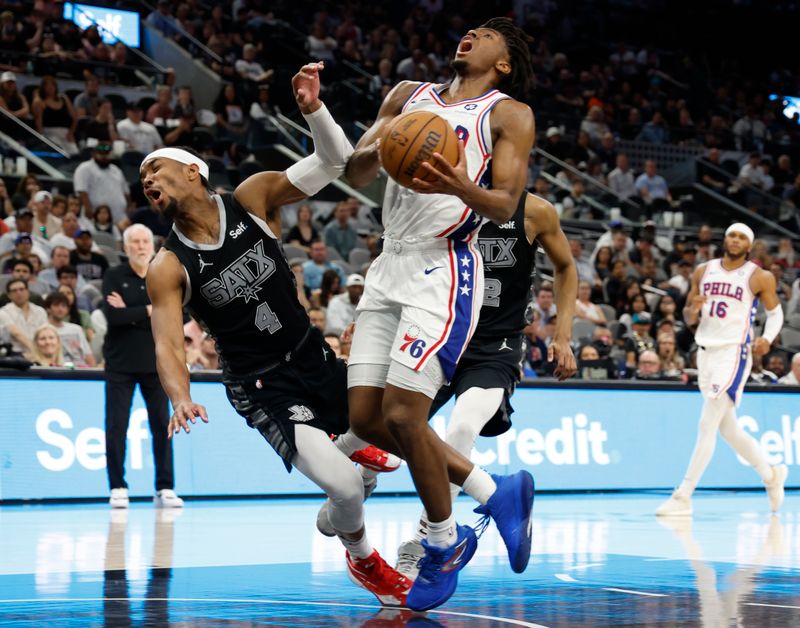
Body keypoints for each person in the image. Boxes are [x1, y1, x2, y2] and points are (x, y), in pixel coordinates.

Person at [144, 63, 412, 606]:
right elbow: (168, 344)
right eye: (142, 178)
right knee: (342, 487)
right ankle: (364, 559)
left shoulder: (251, 198)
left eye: (157, 168)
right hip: (263, 385)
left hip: (314, 357)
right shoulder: (168, 266)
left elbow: (334, 161)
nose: (147, 178)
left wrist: (313, 109)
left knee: (395, 443)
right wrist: (180, 397)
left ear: (193, 172)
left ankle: (352, 470)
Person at [344, 17, 537, 611]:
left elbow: (505, 205)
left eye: (486, 35)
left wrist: (458, 182)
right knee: (368, 421)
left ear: (503, 62)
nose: (470, 36)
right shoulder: (408, 96)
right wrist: (378, 146)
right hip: (388, 264)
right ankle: (493, 490)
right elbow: (353, 174)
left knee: (405, 415)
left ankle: (441, 542)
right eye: (470, 30)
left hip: (443, 269)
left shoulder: (508, 115)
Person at [390, 192, 577, 580]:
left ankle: (429, 539)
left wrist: (563, 335)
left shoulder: (534, 210)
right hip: (440, 334)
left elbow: (566, 267)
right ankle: (365, 485)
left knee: (461, 427)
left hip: (497, 346)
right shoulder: (443, 203)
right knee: (387, 425)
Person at [656, 223, 788, 517]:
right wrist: (692, 310)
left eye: (742, 237)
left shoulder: (758, 276)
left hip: (733, 352)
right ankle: (771, 476)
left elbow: (775, 313)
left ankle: (683, 495)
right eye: (732, 234)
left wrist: (766, 338)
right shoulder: (703, 271)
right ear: (725, 239)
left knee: (707, 424)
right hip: (705, 352)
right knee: (728, 428)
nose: (735, 240)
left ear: (748, 245)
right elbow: (689, 313)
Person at [103, 224, 181, 510]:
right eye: (134, 242)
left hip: (155, 364)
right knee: (116, 427)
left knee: (163, 427)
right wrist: (150, 310)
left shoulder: (161, 274)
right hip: (120, 365)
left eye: (145, 241)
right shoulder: (114, 275)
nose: (140, 246)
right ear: (125, 247)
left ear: (153, 244)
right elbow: (114, 317)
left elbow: (176, 315)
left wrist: (132, 311)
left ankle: (164, 487)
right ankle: (117, 487)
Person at [44, 291, 95, 367]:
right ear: (48, 309)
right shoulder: (43, 330)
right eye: (56, 305)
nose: (60, 309)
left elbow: (88, 356)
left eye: (63, 306)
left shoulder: (76, 329)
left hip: (81, 371)